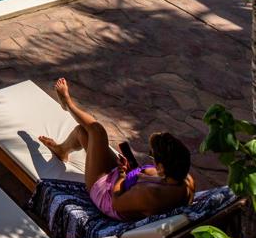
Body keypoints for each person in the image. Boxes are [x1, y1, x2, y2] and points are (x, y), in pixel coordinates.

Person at [39, 78, 195, 221]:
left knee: (97, 130)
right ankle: (62, 150)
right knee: (82, 132)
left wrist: (121, 176)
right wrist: (130, 170)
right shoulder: (185, 179)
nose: (151, 158)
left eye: (152, 156)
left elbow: (116, 200)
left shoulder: (151, 194)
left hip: (107, 194)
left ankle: (68, 104)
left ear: (161, 167)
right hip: (123, 178)